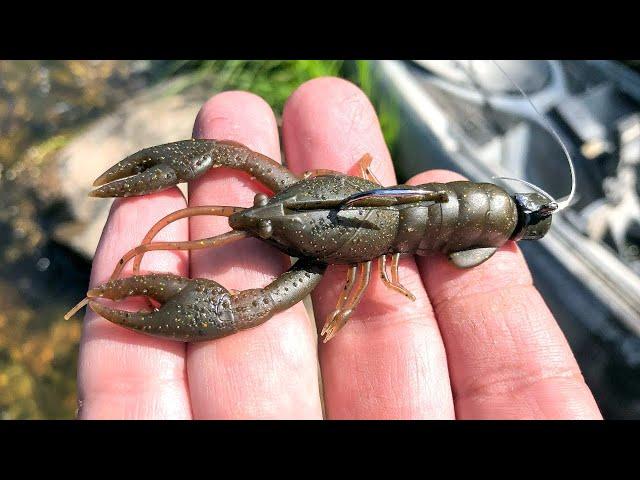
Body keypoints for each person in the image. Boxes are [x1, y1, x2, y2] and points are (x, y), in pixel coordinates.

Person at [76, 77, 602, 419]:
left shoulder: (316, 243)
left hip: (466, 216)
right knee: (226, 159)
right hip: (427, 208)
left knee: (243, 295)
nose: (256, 217)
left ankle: (518, 219)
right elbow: (223, 153)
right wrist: (265, 220)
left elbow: (251, 298)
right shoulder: (293, 207)